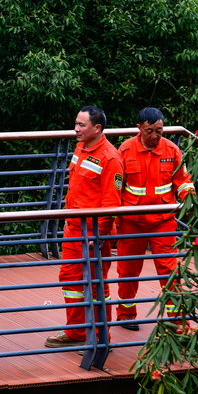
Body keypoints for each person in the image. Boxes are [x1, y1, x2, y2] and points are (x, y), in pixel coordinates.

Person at [45, 106, 123, 348]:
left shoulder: (110, 158)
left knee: (96, 284)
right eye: (76, 124)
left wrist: (99, 237)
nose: (76, 129)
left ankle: (101, 339)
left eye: (82, 125)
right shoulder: (81, 147)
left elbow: (112, 202)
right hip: (73, 228)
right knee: (70, 279)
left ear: (97, 128)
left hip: (93, 234)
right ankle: (78, 332)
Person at [115, 107, 196, 330]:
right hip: (132, 220)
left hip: (163, 220)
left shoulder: (172, 150)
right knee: (128, 269)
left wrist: (189, 198)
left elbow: (183, 180)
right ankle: (125, 314)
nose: (154, 136)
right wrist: (113, 218)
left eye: (159, 131)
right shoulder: (125, 150)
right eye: (149, 131)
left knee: (169, 270)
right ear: (139, 128)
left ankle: (176, 318)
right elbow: (115, 187)